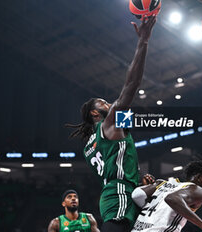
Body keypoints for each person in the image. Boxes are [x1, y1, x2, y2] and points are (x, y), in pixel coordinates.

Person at [65, 15, 157, 232]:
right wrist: (143, 41)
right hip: (121, 193)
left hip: (113, 194)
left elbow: (125, 143)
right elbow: (132, 85)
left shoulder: (90, 144)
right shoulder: (107, 124)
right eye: (103, 102)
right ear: (95, 112)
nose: (109, 102)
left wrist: (137, 175)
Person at [130, 160, 202, 232]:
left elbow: (136, 195)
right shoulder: (198, 190)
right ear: (199, 178)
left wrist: (144, 185)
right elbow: (171, 199)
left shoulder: (161, 183)